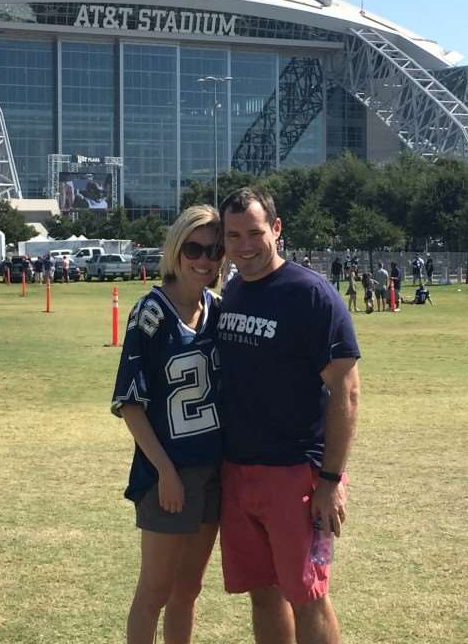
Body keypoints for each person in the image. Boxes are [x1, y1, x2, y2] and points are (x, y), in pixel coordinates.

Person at [217, 187, 361, 644]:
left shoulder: (309, 294)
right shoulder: (235, 290)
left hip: (296, 474)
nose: (244, 245)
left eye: (255, 233)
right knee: (262, 593)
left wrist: (330, 480)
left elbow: (347, 389)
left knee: (308, 595)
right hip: (238, 471)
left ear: (276, 230)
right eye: (233, 235)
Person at [111, 205, 224, 644]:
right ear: (176, 250)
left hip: (214, 471)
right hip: (170, 474)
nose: (204, 260)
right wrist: (166, 472)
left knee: (188, 590)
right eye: (194, 248)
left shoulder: (217, 309)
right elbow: (131, 404)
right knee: (154, 590)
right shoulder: (151, 314)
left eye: (214, 250)